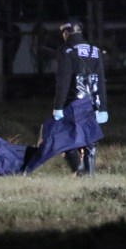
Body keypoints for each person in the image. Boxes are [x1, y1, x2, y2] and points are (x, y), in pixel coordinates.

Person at [50, 20, 109, 175]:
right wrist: (103, 108)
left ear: (66, 33)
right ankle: (89, 173)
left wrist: (58, 107)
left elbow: (63, 82)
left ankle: (79, 169)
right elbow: (101, 80)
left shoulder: (66, 50)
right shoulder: (94, 50)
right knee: (90, 139)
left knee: (64, 136)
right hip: (92, 102)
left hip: (74, 102)